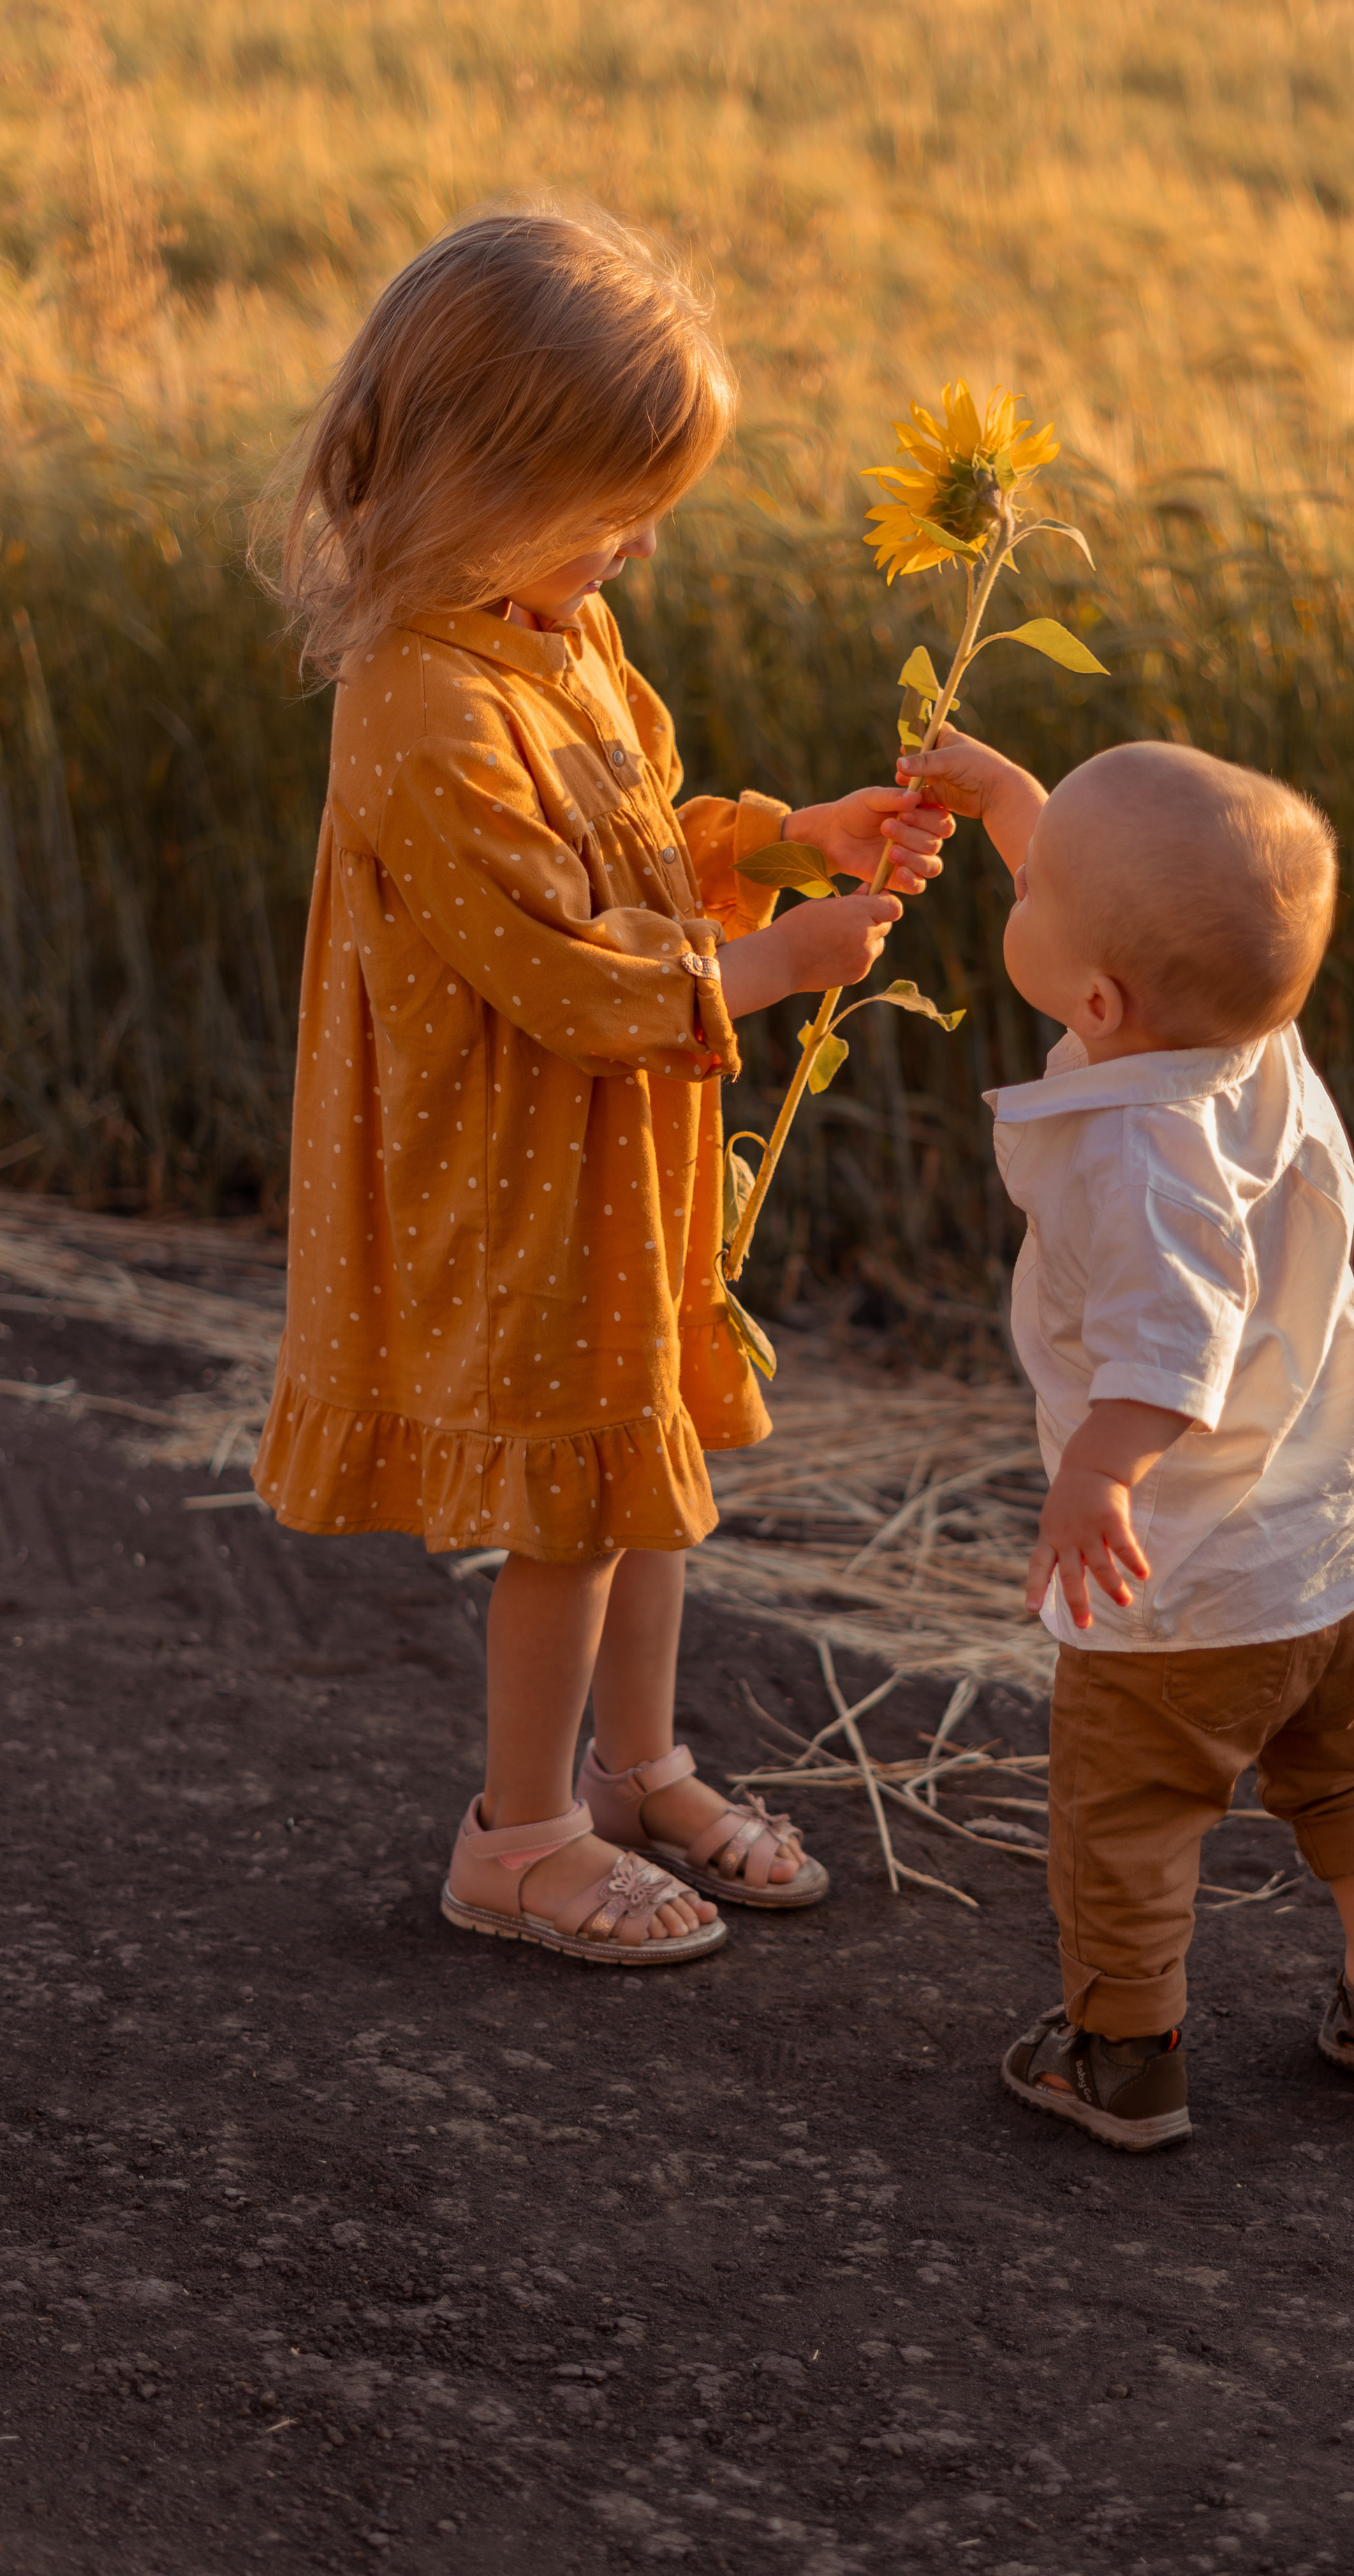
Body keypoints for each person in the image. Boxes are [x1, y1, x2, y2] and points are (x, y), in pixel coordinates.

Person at [252, 203, 954, 1967]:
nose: (635, 550)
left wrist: (783, 842)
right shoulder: (421, 699)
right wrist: (781, 964)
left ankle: (641, 1770)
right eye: (610, 510)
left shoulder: (554, 640)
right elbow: (566, 973)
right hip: (516, 1161)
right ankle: (519, 1833)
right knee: (570, 1506)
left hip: (618, 1145)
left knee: (651, 1466)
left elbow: (635, 844)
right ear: (477, 484)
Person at [895, 725, 1354, 2149]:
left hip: (1189, 1583)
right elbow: (1102, 897)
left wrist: (1098, 1474)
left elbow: (1174, 1342)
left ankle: (1119, 2050)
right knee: (1349, 1770)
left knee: (1132, 1816)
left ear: (1092, 997)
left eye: (1028, 894)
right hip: (1336, 1540)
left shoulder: (1132, 1150)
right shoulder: (1245, 1031)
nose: (1015, 891)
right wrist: (1001, 799)